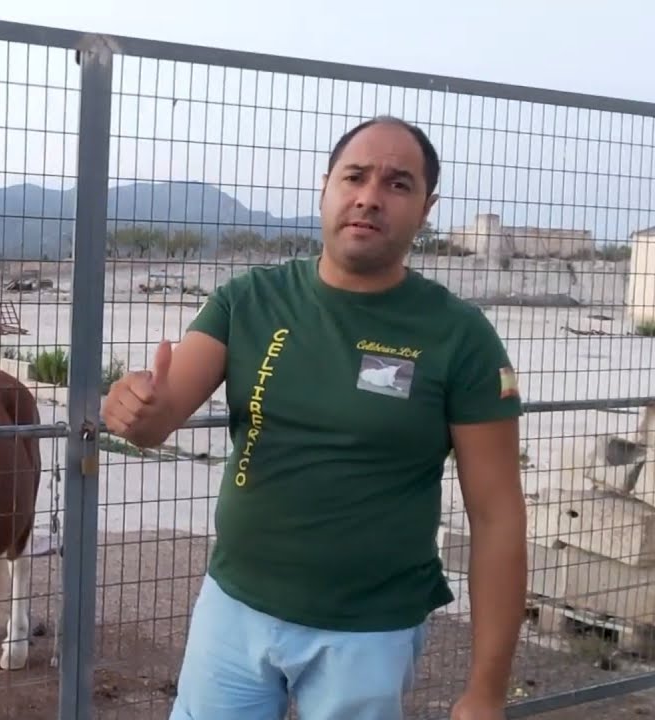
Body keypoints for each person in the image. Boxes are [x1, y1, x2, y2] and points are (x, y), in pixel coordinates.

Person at [101, 115, 528, 720]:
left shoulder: (459, 337)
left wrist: (486, 690)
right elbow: (158, 418)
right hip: (234, 611)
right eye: (354, 176)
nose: (369, 197)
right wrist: (133, 409)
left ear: (426, 209)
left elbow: (497, 516)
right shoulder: (247, 301)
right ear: (325, 186)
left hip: (368, 633)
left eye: (398, 184)